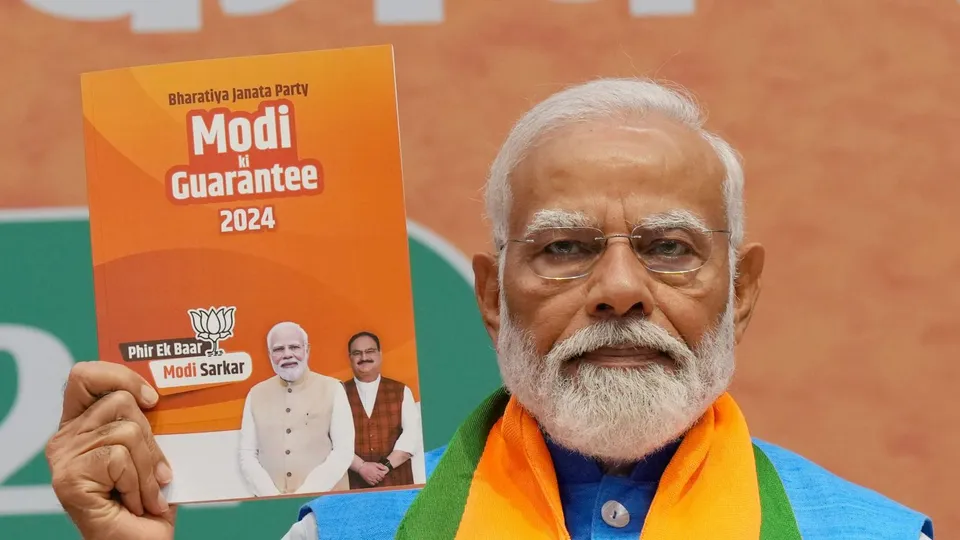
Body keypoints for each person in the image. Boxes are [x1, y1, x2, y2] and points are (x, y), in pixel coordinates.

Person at [45, 77, 934, 540]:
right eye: (565, 247)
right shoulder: (346, 533)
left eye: (669, 248)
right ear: (487, 295)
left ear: (739, 295)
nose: (621, 289)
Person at [238, 321, 353, 496]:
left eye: (294, 347)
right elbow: (247, 454)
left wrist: (306, 494)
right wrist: (272, 496)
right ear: (269, 354)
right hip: (271, 506)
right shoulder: (256, 394)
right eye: (278, 349)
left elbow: (343, 451)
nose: (287, 354)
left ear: (307, 350)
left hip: (325, 503)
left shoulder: (332, 388)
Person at [341, 331, 422, 490]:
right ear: (350, 358)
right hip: (352, 487)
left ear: (380, 354)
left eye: (370, 351)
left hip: (397, 483)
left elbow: (412, 436)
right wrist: (361, 467)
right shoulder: (338, 393)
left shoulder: (401, 390)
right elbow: (333, 441)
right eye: (357, 353)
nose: (364, 357)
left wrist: (384, 467)